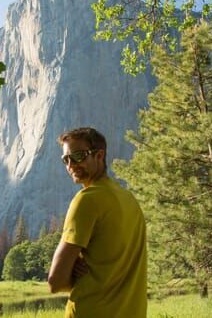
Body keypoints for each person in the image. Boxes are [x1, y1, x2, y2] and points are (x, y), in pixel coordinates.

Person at [48, 127, 147, 317]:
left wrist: (71, 273)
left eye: (78, 156)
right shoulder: (129, 200)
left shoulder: (87, 199)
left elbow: (55, 282)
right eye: (66, 159)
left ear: (99, 155)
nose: (71, 165)